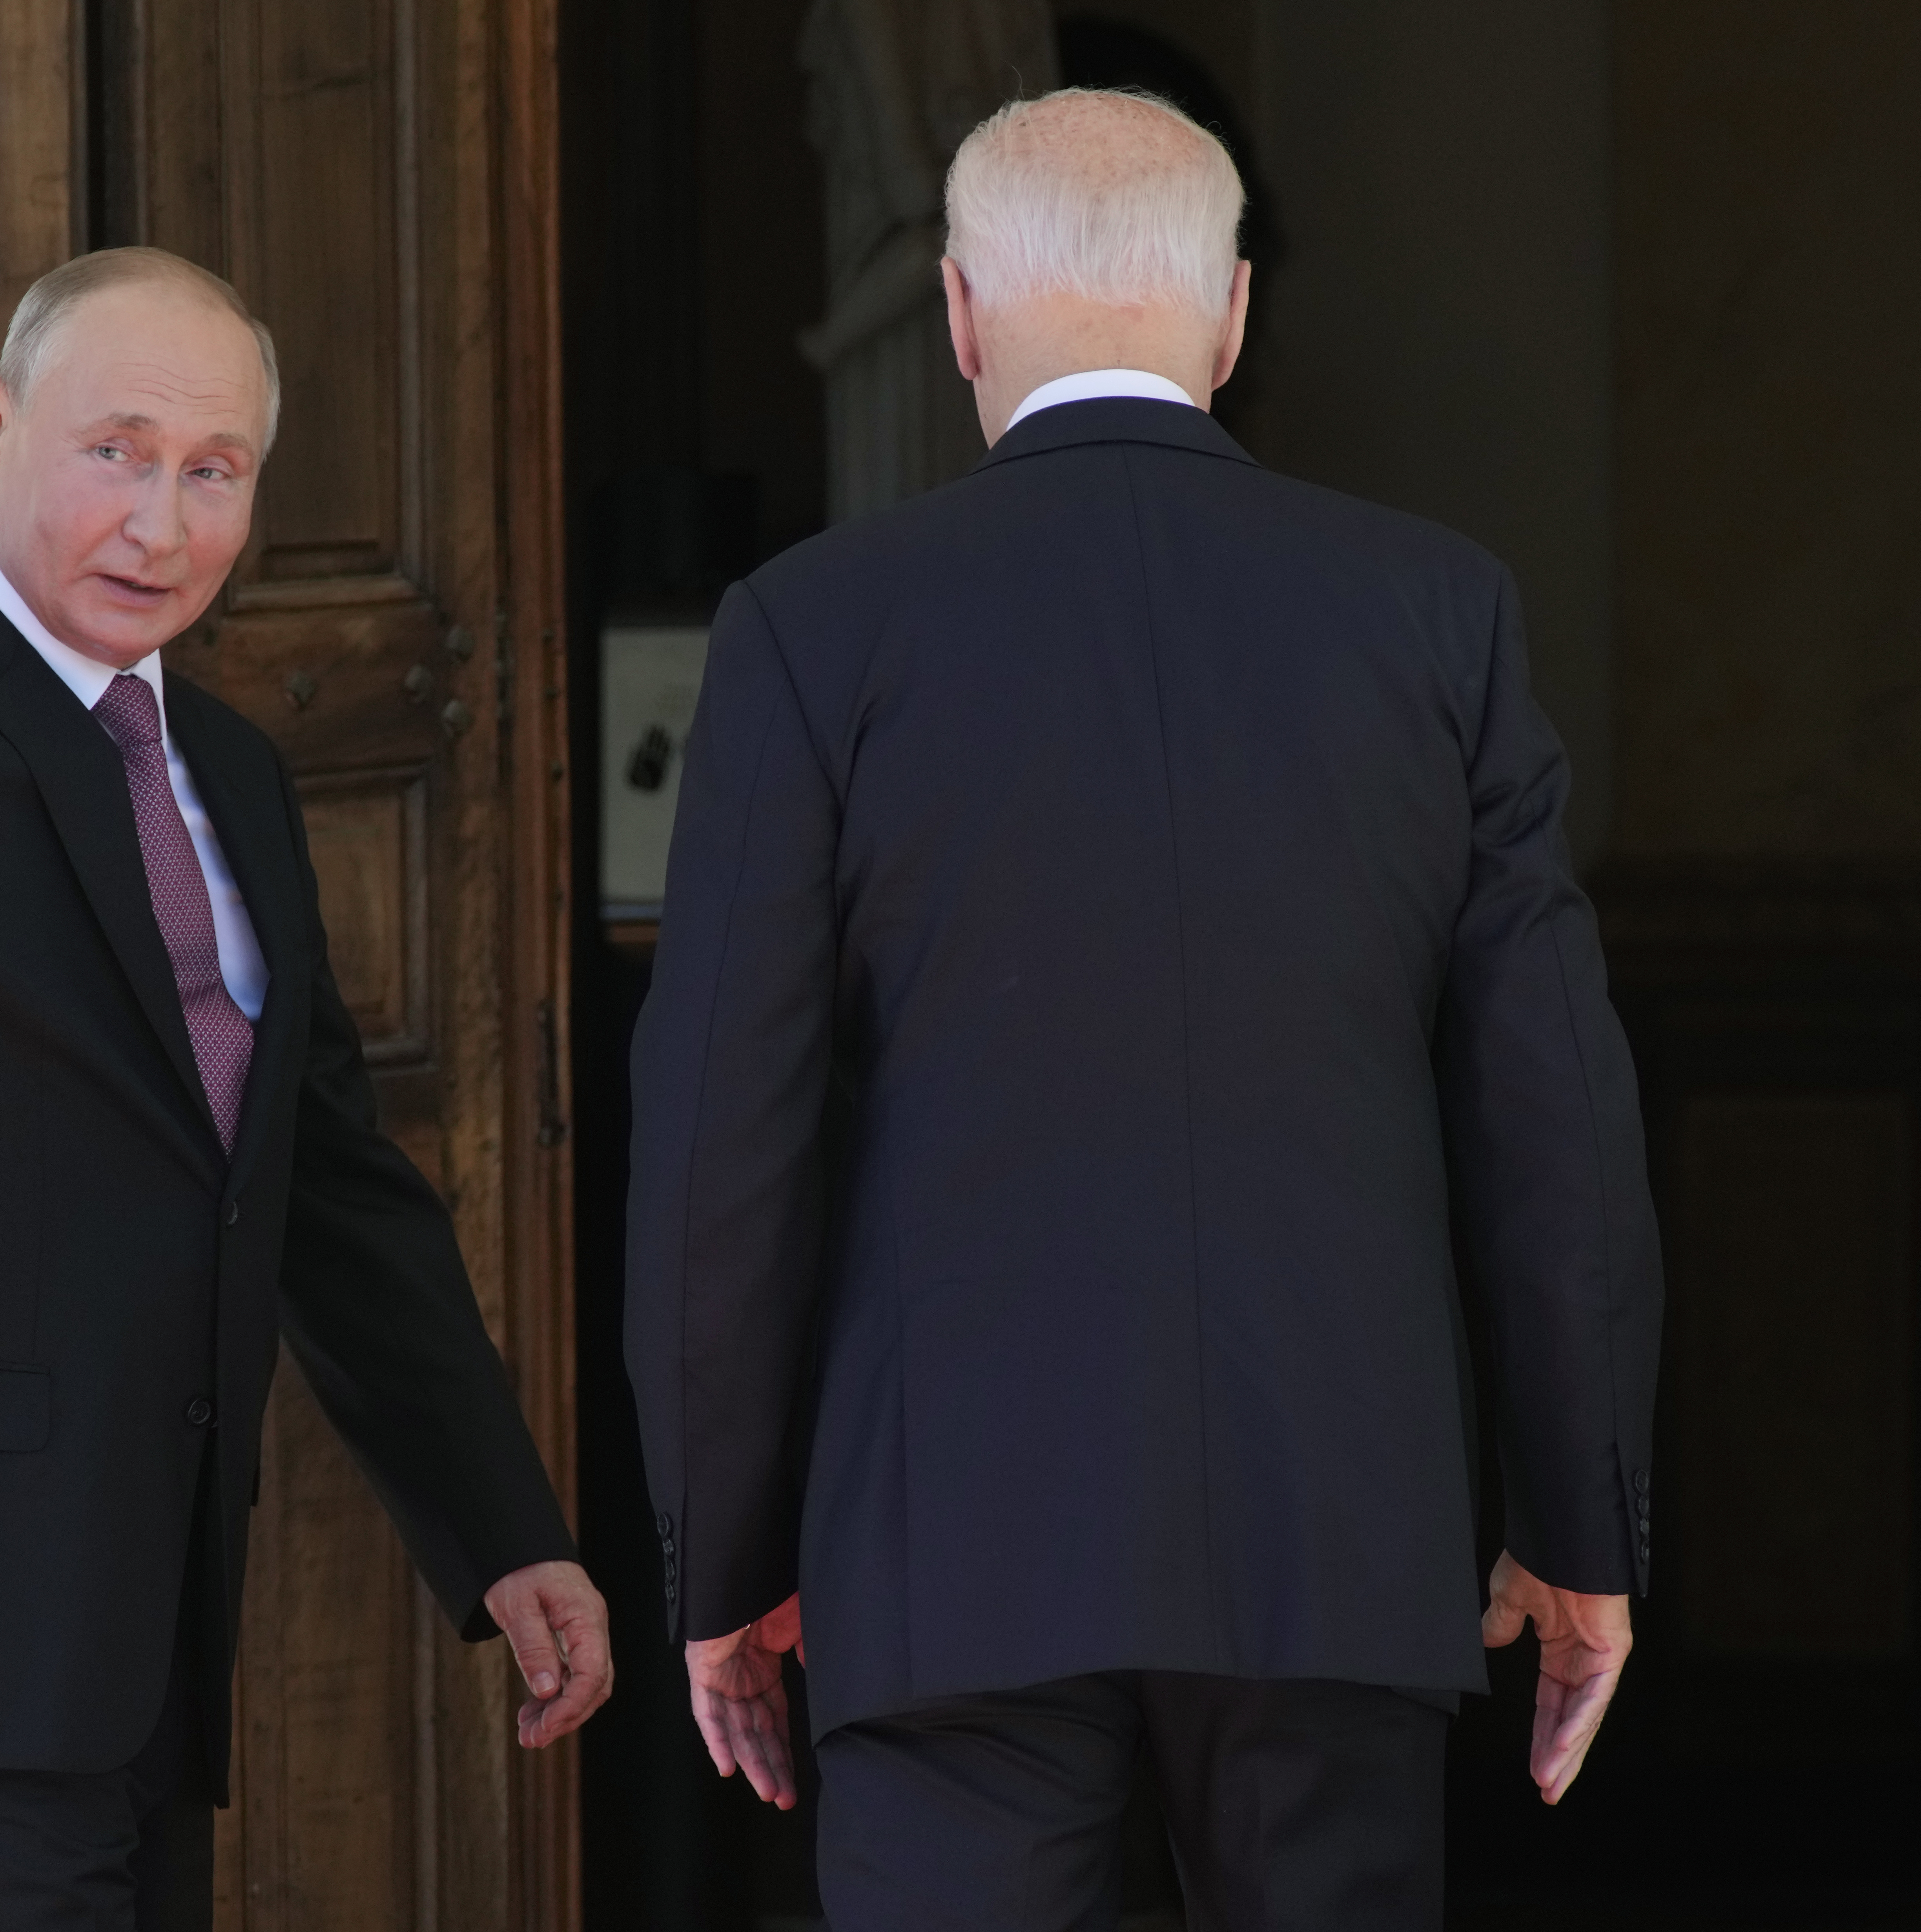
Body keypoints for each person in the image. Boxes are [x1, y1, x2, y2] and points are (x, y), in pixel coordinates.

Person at [623, 89, 1659, 1930]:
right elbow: (1551, 1116)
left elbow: (721, 1132)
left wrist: (729, 1551)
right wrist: (1579, 1530)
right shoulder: (1439, 617)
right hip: (1330, 1547)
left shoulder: (810, 626)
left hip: (944, 1558)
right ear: (1233, 312)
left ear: (950, 313)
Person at [0, 245, 612, 1931]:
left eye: (210, 473)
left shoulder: (233, 773)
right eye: (115, 453)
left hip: (141, 1642)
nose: (160, 524)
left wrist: (501, 1528)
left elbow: (328, 1192)